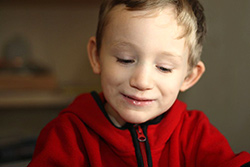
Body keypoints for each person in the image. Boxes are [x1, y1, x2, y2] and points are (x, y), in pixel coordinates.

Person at [28, 0, 250, 166]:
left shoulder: (195, 132)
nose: (142, 81)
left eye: (164, 67)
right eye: (125, 59)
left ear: (189, 76)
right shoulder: (68, 136)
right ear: (96, 56)